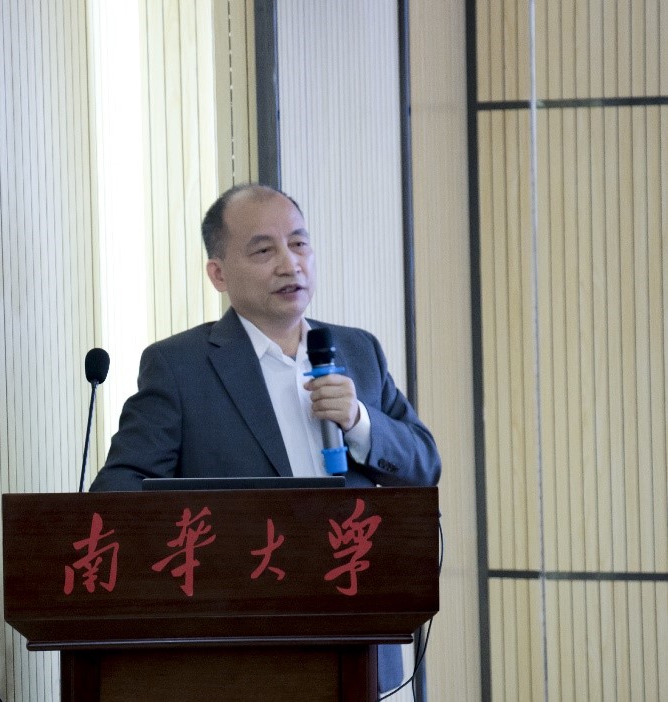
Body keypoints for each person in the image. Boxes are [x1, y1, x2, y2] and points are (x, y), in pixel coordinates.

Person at [90, 183, 441, 693]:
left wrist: (360, 422)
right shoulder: (180, 366)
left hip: (361, 633)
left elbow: (424, 465)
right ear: (218, 273)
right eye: (263, 250)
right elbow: (119, 491)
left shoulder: (357, 350)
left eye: (298, 243)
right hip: (242, 644)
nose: (289, 263)